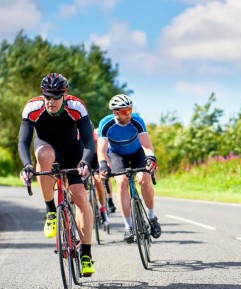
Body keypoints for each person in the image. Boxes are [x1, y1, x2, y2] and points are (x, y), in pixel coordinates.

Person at [18, 73, 97, 276]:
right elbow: (23, 142)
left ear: (65, 94)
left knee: (80, 196)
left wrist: (85, 162)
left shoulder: (76, 106)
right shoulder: (33, 108)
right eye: (47, 96)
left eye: (55, 96)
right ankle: (51, 211)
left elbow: (89, 141)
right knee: (44, 154)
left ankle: (86, 254)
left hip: (72, 150)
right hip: (46, 147)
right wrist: (27, 165)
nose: (51, 101)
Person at [96, 94, 162, 243]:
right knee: (121, 181)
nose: (129, 114)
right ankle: (128, 226)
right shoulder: (106, 124)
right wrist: (103, 165)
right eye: (125, 111)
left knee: (144, 180)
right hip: (117, 154)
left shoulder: (137, 121)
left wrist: (151, 157)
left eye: (130, 110)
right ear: (116, 112)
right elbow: (102, 149)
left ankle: (152, 218)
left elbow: (146, 145)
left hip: (137, 153)